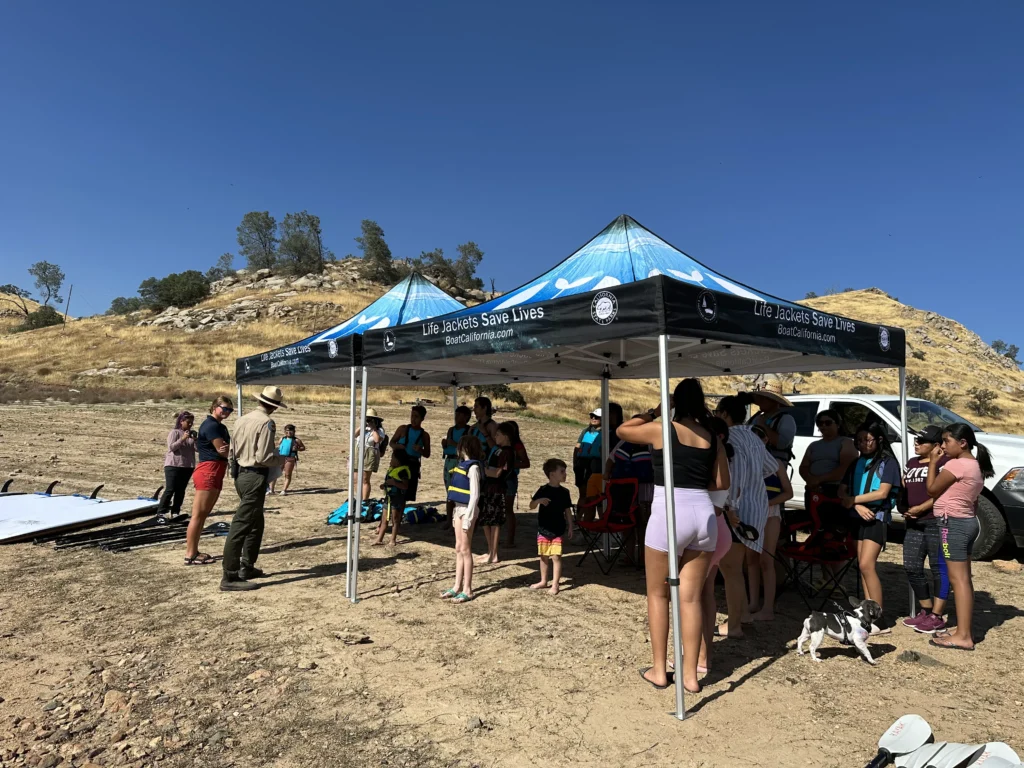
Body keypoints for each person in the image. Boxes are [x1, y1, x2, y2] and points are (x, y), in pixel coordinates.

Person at [617, 379, 730, 694]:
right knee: (691, 598)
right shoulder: (712, 436)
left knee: (658, 595)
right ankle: (691, 676)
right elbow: (722, 480)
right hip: (703, 514)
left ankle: (658, 669)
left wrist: (654, 411)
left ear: (675, 403)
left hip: (670, 511)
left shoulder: (661, 428)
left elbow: (623, 431)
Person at [713, 395, 777, 638]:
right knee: (737, 567)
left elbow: (732, 478)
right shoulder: (754, 436)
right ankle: (744, 616)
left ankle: (734, 624)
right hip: (758, 507)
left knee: (731, 569)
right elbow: (771, 468)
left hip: (736, 510)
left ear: (725, 414)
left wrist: (729, 506)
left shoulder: (728, 438)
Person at [926, 423, 993, 652]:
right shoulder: (975, 465)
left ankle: (964, 636)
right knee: (964, 579)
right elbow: (973, 501)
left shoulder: (956, 464)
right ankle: (963, 630)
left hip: (952, 525)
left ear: (962, 443)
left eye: (946, 441)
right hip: (966, 523)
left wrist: (933, 463)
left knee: (959, 581)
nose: (942, 446)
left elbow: (932, 489)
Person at [220, 386, 287, 592]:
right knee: (242, 524)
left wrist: (234, 472)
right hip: (255, 475)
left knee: (255, 521)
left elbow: (232, 451)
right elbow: (263, 457)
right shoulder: (266, 423)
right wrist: (281, 458)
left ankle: (246, 566)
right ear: (274, 407)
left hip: (241, 473)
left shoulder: (241, 419)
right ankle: (230, 575)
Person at [838, 422, 901, 632]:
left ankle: (879, 618)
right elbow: (842, 491)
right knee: (861, 566)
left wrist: (854, 500)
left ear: (879, 439)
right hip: (857, 516)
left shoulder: (888, 463)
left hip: (876, 517)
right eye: (860, 440)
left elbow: (883, 493)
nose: (864, 444)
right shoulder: (856, 463)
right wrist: (855, 504)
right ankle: (867, 613)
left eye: (868, 440)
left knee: (867, 565)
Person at [697, 418, 738, 677]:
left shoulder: (707, 464)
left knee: (693, 598)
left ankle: (697, 657)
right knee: (706, 595)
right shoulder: (724, 461)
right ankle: (704, 655)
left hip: (708, 529)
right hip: (720, 528)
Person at [900, 426, 950, 634]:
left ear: (936, 446)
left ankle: (937, 615)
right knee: (911, 565)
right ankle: (926, 609)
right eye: (916, 440)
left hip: (935, 521)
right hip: (914, 524)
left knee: (938, 567)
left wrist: (922, 507)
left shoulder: (944, 463)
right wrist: (904, 508)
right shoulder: (912, 463)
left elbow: (943, 491)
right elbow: (904, 489)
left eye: (923, 441)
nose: (916, 444)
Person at [746, 426, 794, 622]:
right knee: (750, 560)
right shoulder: (745, 463)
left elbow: (788, 493)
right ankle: (753, 602)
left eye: (760, 437)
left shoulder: (776, 464)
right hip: (750, 514)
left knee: (767, 559)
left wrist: (767, 503)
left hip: (770, 514)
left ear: (766, 440)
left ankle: (768, 607)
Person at [185, 396, 233, 566]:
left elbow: (225, 449)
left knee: (203, 514)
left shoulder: (219, 426)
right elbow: (223, 451)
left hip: (216, 469)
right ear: (214, 407)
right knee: (198, 515)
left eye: (230, 410)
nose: (226, 412)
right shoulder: (212, 426)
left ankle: (193, 551)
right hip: (209, 469)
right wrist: (230, 450)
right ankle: (190, 554)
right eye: (224, 408)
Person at [443, 435, 485, 603]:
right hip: (458, 508)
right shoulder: (463, 465)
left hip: (468, 510)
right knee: (458, 547)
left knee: (466, 549)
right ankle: (456, 586)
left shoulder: (473, 468)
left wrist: (468, 516)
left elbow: (475, 495)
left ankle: (468, 589)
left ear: (465, 448)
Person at [529, 458, 575, 595]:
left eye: (565, 471)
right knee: (543, 556)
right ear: (552, 474)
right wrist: (537, 501)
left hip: (558, 529)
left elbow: (568, 511)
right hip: (543, 529)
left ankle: (555, 584)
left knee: (556, 557)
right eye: (562, 471)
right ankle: (543, 581)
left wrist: (571, 526)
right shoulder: (543, 490)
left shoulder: (564, 493)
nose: (565, 474)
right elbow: (531, 505)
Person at [475, 422, 515, 565]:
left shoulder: (507, 452)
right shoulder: (498, 450)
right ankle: (490, 550)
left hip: (497, 489)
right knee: (486, 520)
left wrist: (482, 471)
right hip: (488, 487)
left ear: (506, 436)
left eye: (498, 434)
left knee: (495, 522)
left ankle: (494, 553)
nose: (495, 436)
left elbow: (499, 473)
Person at [799, 409, 859, 503]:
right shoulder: (813, 445)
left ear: (838, 425)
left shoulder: (846, 442)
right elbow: (803, 467)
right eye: (820, 423)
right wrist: (810, 480)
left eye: (828, 423)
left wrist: (818, 480)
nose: (823, 426)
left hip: (835, 489)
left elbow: (846, 469)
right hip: (813, 489)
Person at [746, 382, 797, 466]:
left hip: (774, 468)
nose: (760, 401)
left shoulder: (786, 419)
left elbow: (781, 444)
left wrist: (763, 425)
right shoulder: (756, 417)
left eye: (764, 398)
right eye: (760, 398)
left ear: (774, 401)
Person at [159, 411, 196, 518]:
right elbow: (172, 447)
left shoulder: (191, 434)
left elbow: (197, 449)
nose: (190, 424)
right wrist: (183, 439)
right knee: (170, 489)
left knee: (180, 490)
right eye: (188, 422)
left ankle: (175, 512)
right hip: (173, 465)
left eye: (192, 422)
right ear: (181, 421)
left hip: (187, 466)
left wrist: (196, 440)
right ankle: (161, 511)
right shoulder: (174, 432)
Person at [392, 405, 431, 502]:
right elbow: (392, 442)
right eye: (412, 416)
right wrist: (398, 446)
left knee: (406, 494)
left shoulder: (424, 435)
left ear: (422, 419)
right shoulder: (402, 429)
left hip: (412, 466)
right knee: (393, 492)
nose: (413, 419)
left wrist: (420, 450)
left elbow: (427, 454)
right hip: (398, 464)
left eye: (416, 417)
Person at [375, 449, 412, 547]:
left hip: (397, 498)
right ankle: (379, 539)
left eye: (393, 458)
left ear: (399, 461)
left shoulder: (403, 471)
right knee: (384, 519)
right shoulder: (391, 469)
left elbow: (405, 486)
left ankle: (393, 539)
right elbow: (389, 482)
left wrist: (394, 483)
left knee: (395, 519)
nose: (391, 460)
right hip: (388, 498)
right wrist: (384, 485)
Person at [503, 420, 531, 548]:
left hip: (510, 478)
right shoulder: (502, 445)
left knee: (508, 509)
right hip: (500, 478)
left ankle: (510, 539)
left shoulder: (517, 445)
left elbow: (526, 463)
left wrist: (509, 464)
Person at [443, 406, 473, 520]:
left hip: (459, 461)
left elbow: (467, 449)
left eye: (459, 415)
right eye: (456, 415)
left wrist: (454, 443)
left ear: (466, 417)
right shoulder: (451, 429)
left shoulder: (468, 431)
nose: (456, 417)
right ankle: (448, 519)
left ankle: (457, 518)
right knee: (449, 491)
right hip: (449, 460)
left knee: (458, 490)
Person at [574, 408, 604, 514]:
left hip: (595, 465)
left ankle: (594, 518)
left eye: (597, 417)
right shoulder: (586, 431)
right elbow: (577, 447)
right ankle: (579, 519)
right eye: (592, 416)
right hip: (582, 464)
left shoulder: (605, 433)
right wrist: (575, 464)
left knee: (595, 495)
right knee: (582, 493)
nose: (593, 418)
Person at [353, 409, 387, 504]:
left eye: (370, 420)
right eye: (367, 419)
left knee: (365, 479)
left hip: (369, 453)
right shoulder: (363, 428)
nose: (368, 422)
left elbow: (377, 440)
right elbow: (354, 435)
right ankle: (358, 498)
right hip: (358, 450)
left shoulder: (380, 430)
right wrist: (362, 426)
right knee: (355, 479)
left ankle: (365, 500)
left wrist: (373, 428)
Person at [269, 424, 305, 495]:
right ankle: (271, 490)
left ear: (294, 431)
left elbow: (303, 448)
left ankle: (284, 490)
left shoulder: (297, 440)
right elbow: (277, 446)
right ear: (285, 431)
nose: (289, 432)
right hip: (280, 458)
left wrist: (297, 448)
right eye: (287, 430)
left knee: (287, 474)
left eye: (290, 430)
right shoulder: (282, 439)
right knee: (275, 474)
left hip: (290, 458)